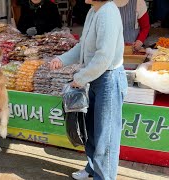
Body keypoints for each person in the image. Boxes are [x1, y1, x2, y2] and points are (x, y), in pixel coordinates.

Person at [50, 0, 127, 179]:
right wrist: (62, 59)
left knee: (105, 137)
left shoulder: (108, 13)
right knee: (91, 130)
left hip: (108, 79)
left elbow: (104, 56)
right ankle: (92, 167)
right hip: (94, 77)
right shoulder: (94, 11)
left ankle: (104, 176)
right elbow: (83, 46)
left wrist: (80, 78)